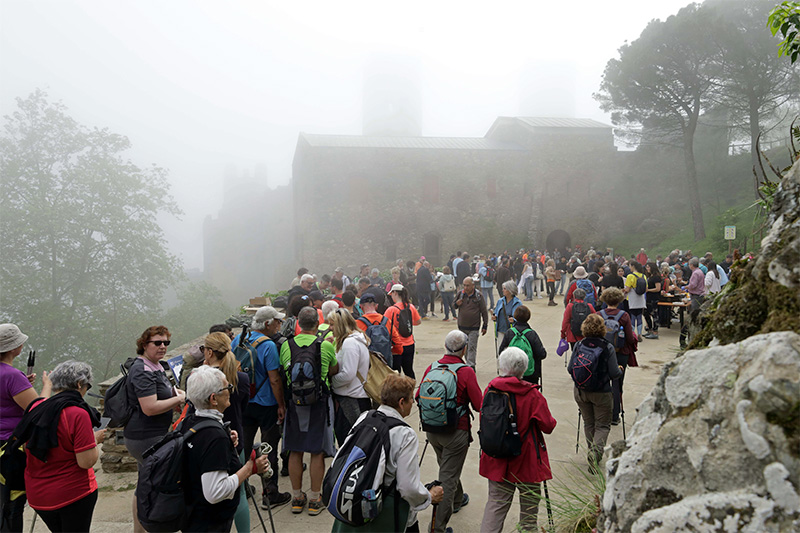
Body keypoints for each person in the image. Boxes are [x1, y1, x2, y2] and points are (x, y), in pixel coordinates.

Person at [331, 374, 444, 533]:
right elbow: (407, 487)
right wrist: (429, 496)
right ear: (401, 402)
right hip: (385, 516)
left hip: (352, 506)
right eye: (411, 399)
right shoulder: (405, 434)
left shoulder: (365, 417)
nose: (413, 403)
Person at [16, 361, 105, 533]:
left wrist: (47, 384)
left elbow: (41, 399)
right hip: (72, 494)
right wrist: (95, 439)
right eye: (87, 385)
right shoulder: (77, 414)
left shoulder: (36, 409)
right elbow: (85, 462)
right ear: (79, 384)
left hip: (38, 496)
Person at [181, 366, 270, 533]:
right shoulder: (214, 436)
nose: (230, 390)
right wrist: (250, 468)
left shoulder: (189, 422)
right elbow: (215, 492)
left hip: (192, 514)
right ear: (213, 399)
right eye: (227, 387)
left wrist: (226, 443)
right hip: (210, 523)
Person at [479, 347, 557, 533]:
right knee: (529, 512)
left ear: (501, 366)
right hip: (526, 459)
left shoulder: (490, 389)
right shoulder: (532, 395)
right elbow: (548, 426)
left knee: (496, 506)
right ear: (525, 369)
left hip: (497, 458)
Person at [416, 331, 483, 533]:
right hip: (456, 432)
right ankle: (437, 529)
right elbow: (479, 405)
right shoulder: (465, 371)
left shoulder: (432, 367)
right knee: (447, 480)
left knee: (448, 469)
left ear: (445, 347)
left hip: (432, 431)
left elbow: (418, 395)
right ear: (464, 349)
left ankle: (457, 499)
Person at [125, 326, 185, 533]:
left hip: (152, 434)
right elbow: (149, 408)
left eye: (166, 343)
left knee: (144, 485)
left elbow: (160, 393)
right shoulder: (142, 370)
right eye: (157, 343)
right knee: (157, 487)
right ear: (144, 345)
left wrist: (172, 395)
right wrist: (178, 398)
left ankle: (140, 530)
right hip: (144, 436)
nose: (162, 347)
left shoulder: (155, 365)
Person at [280, 307, 340, 516]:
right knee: (317, 451)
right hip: (319, 403)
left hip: (294, 404)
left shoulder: (286, 346)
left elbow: (283, 374)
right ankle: (315, 499)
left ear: (298, 324)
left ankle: (297, 497)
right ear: (317, 324)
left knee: (295, 450)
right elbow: (334, 370)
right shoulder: (325, 346)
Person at [234, 307, 291, 509]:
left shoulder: (238, 340)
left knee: (244, 446)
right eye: (277, 321)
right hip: (266, 404)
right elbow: (274, 379)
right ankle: (270, 493)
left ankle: (242, 487)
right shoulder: (268, 345)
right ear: (267, 324)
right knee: (268, 448)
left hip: (243, 403)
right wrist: (281, 404)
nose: (280, 325)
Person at [1, 323, 52, 532]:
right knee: (13, 502)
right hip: (10, 448)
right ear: (14, 348)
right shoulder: (11, 376)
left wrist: (23, 384)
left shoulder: (13, 376)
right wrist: (46, 386)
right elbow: (38, 410)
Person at [202, 332, 252, 532]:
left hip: (206, 439)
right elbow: (244, 406)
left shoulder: (200, 379)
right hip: (235, 436)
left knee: (209, 492)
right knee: (238, 493)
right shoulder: (241, 378)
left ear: (209, 352)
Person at [568, 314, 623, 468]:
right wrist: (619, 370)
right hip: (601, 392)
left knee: (588, 422)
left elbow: (570, 368)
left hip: (580, 390)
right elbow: (614, 373)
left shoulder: (579, 345)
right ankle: (595, 452)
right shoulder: (607, 347)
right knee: (603, 425)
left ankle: (592, 450)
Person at [328, 309, 371, 445]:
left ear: (340, 325)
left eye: (332, 324)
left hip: (351, 401)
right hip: (354, 398)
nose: (330, 328)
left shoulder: (349, 343)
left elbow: (348, 374)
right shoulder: (353, 340)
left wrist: (331, 382)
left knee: (349, 445)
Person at [597, 288, 638, 426]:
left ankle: (602, 413)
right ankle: (615, 415)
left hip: (602, 353)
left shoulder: (598, 315)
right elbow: (630, 338)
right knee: (617, 383)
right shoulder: (624, 316)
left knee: (602, 382)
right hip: (621, 353)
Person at [498, 306, 547, 386]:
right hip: (531, 374)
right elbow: (542, 354)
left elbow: (501, 352)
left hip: (512, 373)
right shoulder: (532, 334)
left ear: (515, 316)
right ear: (528, 317)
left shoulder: (509, 333)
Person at [384, 285, 422, 379]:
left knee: (395, 372)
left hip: (396, 345)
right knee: (409, 370)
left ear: (395, 293)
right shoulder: (411, 307)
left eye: (391, 294)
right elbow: (418, 322)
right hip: (409, 344)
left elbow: (384, 326)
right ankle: (410, 390)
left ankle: (397, 392)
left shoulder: (391, 310)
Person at [454, 277, 489, 369]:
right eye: (464, 285)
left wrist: (485, 325)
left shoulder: (478, 296)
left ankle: (471, 366)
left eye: (468, 285)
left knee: (472, 347)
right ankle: (468, 363)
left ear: (473, 286)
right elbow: (453, 306)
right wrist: (457, 304)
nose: (465, 288)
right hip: (462, 327)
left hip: (474, 327)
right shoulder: (460, 294)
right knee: (464, 348)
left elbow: (484, 311)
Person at [492, 280, 522, 347]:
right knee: (501, 351)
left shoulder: (518, 303)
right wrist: (494, 317)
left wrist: (514, 319)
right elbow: (496, 312)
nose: (502, 290)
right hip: (500, 330)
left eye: (505, 289)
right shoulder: (500, 301)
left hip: (512, 331)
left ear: (510, 290)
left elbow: (521, 317)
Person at [623, 261, 647, 342]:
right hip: (641, 299)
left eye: (630, 266)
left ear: (633, 266)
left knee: (632, 317)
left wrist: (623, 290)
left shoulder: (630, 276)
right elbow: (646, 289)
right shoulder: (643, 276)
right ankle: (639, 334)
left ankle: (633, 334)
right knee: (639, 316)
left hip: (632, 299)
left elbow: (627, 289)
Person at [643, 263, 663, 340]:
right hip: (648, 298)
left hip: (653, 298)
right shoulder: (650, 276)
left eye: (648, 267)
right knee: (646, 313)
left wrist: (648, 290)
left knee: (654, 314)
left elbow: (658, 288)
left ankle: (655, 331)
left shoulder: (656, 277)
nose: (647, 269)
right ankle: (650, 329)